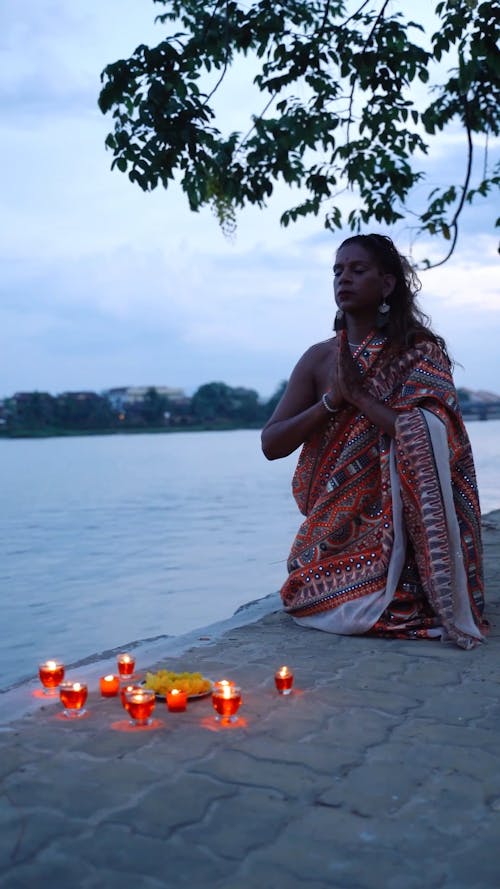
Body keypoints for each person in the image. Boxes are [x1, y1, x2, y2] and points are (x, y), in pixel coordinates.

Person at [261, 234, 485, 649]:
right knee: (303, 594)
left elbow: (430, 435)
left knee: (401, 605)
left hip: (401, 535)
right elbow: (272, 443)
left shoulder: (419, 353)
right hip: (333, 529)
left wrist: (361, 398)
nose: (344, 278)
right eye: (338, 270)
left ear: (387, 284)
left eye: (357, 270)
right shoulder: (319, 358)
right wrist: (331, 401)